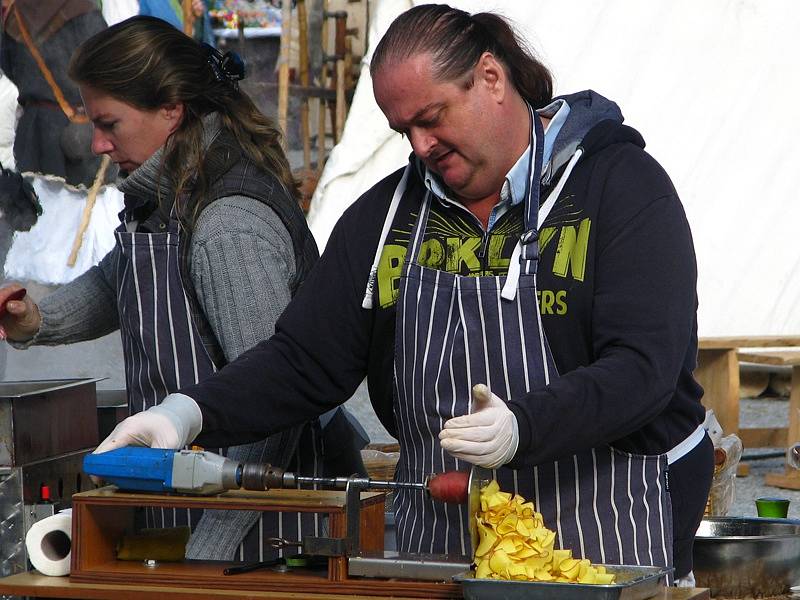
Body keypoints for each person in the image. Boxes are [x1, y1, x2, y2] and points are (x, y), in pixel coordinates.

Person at [84, 4, 713, 582]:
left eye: (431, 119)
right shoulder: (387, 217)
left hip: (603, 535)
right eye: (402, 129)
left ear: (490, 77)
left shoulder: (620, 189)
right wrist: (187, 413)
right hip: (436, 541)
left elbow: (644, 366)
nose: (420, 147)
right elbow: (306, 360)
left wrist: (524, 425)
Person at [0, 15, 354, 562]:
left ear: (171, 108)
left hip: (259, 536)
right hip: (190, 510)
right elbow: (121, 277)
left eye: (110, 124)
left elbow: (277, 394)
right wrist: (37, 322)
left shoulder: (228, 225)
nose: (95, 143)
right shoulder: (172, 189)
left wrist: (211, 544)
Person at [0, 0, 112, 187]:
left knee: (40, 207)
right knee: (88, 208)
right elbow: (107, 63)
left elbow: (9, 67)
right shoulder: (79, 6)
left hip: (32, 131)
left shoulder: (14, 15)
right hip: (81, 126)